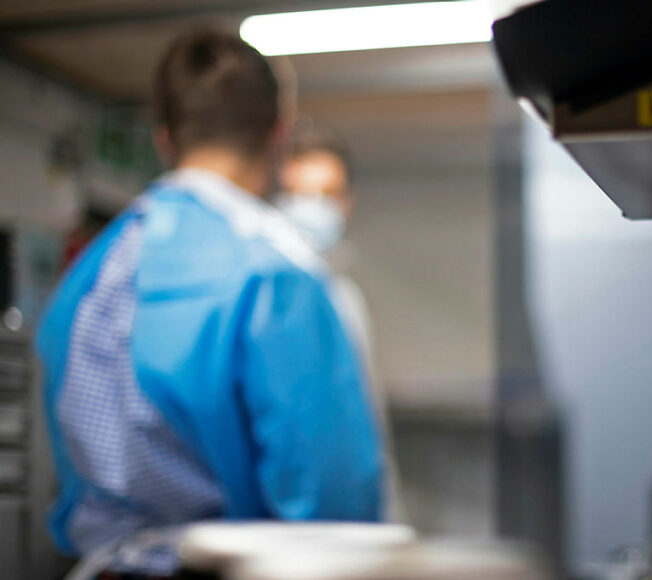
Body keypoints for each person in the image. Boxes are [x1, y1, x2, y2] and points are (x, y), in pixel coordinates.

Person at [35, 31, 382, 575]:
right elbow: (330, 507)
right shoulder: (277, 276)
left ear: (164, 138)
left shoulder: (86, 276)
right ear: (279, 133)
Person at [276, 127, 403, 521]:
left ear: (346, 202)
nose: (314, 208)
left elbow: (367, 422)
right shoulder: (264, 298)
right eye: (300, 194)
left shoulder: (345, 299)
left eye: (328, 194)